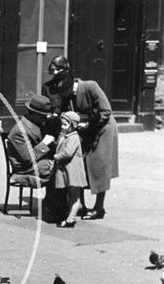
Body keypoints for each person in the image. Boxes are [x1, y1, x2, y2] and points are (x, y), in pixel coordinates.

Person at [43, 55, 119, 220]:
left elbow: (106, 111)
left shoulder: (90, 86)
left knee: (99, 166)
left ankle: (99, 207)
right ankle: (81, 205)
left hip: (103, 129)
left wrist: (88, 125)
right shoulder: (68, 93)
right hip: (86, 129)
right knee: (81, 165)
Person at [7, 94, 57, 218]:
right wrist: (45, 142)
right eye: (44, 116)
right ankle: (51, 207)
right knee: (57, 170)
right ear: (34, 114)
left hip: (38, 162)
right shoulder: (20, 130)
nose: (47, 118)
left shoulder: (38, 124)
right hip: (25, 168)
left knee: (63, 165)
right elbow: (28, 158)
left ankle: (53, 206)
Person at [53, 111, 88, 228]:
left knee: (74, 195)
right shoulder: (66, 136)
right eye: (62, 124)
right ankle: (69, 217)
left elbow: (68, 153)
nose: (62, 127)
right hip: (68, 170)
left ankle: (71, 219)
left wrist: (57, 157)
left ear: (72, 125)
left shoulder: (74, 137)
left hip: (73, 171)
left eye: (65, 125)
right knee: (71, 195)